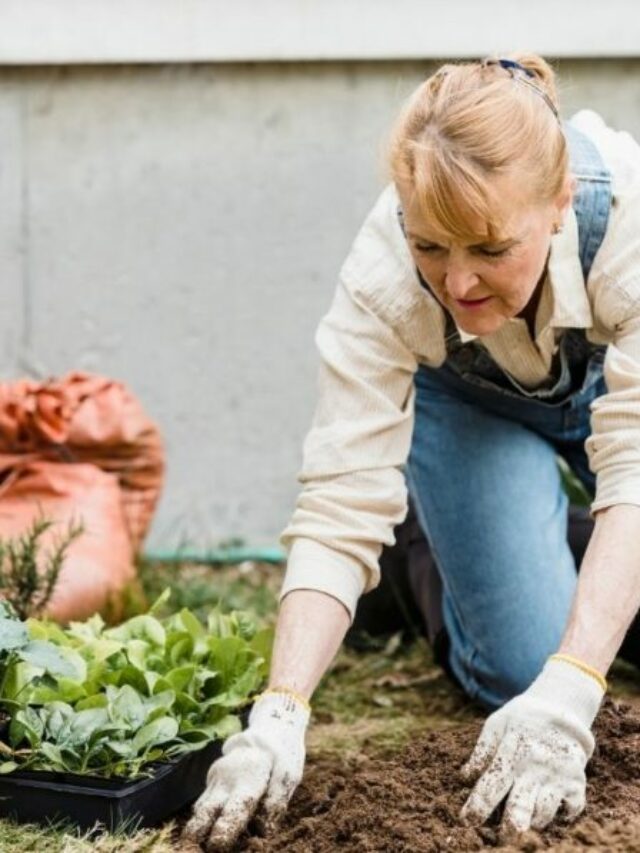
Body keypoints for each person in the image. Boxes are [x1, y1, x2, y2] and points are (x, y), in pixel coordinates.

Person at [184, 53, 640, 849]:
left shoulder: (629, 221)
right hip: (470, 407)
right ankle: (416, 551)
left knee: (572, 672)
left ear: (560, 202)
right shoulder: (383, 276)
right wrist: (280, 713)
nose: (457, 283)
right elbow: (338, 500)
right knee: (525, 667)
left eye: (490, 248)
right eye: (432, 245)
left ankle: (545, 538)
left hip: (613, 396)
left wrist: (577, 688)